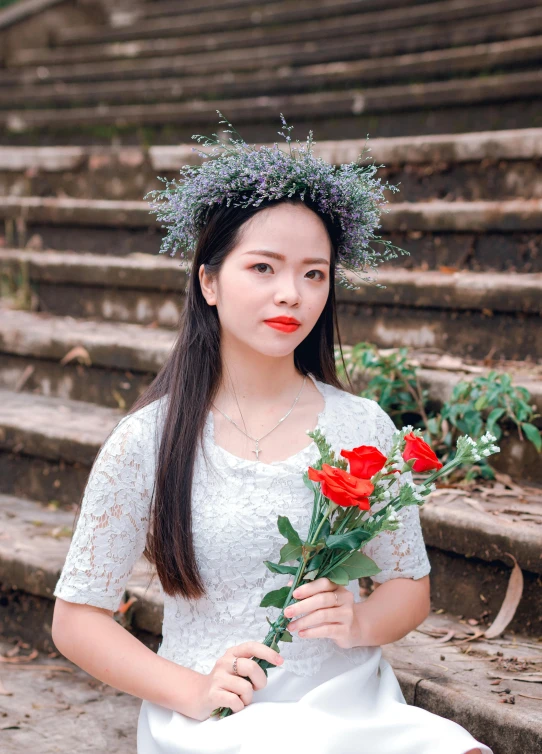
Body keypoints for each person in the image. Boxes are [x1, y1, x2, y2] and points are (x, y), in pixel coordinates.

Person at [51, 114, 492, 754]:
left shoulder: (360, 425)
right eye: (264, 267)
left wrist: (361, 619)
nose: (292, 294)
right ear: (208, 280)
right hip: (219, 716)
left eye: (314, 273)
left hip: (348, 705)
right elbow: (76, 619)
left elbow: (409, 588)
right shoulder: (149, 439)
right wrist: (192, 689)